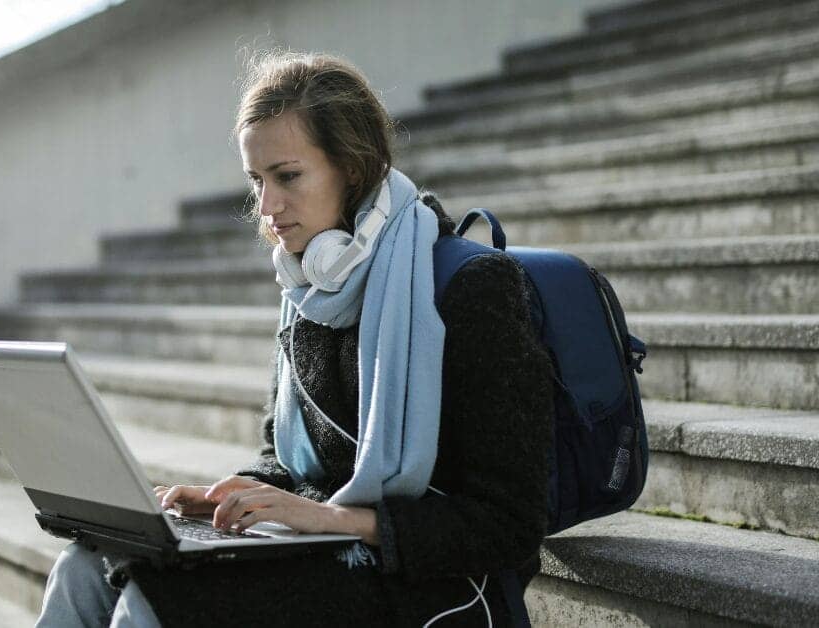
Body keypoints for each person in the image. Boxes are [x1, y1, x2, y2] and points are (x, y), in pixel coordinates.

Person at [36, 50, 555, 628]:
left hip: (436, 583)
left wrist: (335, 520)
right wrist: (231, 495)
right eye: (256, 180)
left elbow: (508, 523)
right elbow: (289, 461)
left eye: (287, 177)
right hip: (326, 550)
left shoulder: (472, 288)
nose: (267, 207)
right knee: (83, 567)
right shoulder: (311, 283)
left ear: (352, 169)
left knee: (154, 603)